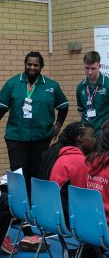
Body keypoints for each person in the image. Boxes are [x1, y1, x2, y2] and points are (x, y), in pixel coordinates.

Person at [0, 51, 69, 250]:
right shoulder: (13, 84)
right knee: (20, 179)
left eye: (36, 65)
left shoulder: (51, 86)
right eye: (29, 64)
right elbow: (2, 108)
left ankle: (38, 220)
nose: (32, 68)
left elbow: (63, 106)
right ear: (25, 64)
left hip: (41, 139)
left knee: (37, 178)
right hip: (16, 139)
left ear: (41, 67)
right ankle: (26, 228)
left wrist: (57, 125)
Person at [39, 122, 95, 224]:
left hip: (48, 212)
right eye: (93, 136)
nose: (95, 140)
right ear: (81, 138)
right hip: (66, 218)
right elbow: (83, 196)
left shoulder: (60, 153)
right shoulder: (78, 160)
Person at [76, 51, 109, 136]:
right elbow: (81, 112)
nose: (90, 72)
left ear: (99, 66)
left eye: (93, 68)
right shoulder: (80, 87)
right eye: (87, 68)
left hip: (104, 137)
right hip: (86, 137)